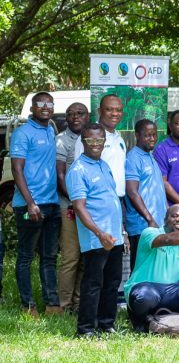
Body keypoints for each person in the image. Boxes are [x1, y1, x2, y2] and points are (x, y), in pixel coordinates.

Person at [67, 123, 126, 337]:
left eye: (99, 140)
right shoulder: (78, 169)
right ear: (83, 142)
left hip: (115, 237)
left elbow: (112, 201)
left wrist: (122, 233)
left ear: (104, 142)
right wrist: (100, 234)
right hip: (96, 239)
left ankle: (106, 324)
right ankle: (85, 329)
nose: (95, 144)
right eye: (90, 140)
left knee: (112, 282)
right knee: (93, 284)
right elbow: (79, 207)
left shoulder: (103, 165)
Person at [10, 91, 62, 316]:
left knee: (49, 257)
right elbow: (16, 169)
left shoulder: (51, 130)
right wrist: (30, 203)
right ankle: (28, 305)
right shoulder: (22, 133)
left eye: (49, 103)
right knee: (25, 257)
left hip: (51, 204)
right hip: (30, 206)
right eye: (40, 103)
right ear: (32, 108)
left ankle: (52, 304)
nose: (45, 106)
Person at [55, 102, 89, 312]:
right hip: (69, 207)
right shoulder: (61, 140)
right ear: (66, 119)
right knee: (71, 258)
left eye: (80, 113)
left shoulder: (92, 137)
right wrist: (76, 202)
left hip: (88, 209)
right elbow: (60, 175)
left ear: (87, 116)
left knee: (86, 258)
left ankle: (78, 303)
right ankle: (64, 305)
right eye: (71, 114)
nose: (75, 117)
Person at [124, 120, 168, 269]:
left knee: (154, 268)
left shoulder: (150, 156)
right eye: (147, 135)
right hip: (142, 226)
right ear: (137, 135)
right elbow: (131, 191)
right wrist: (149, 219)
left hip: (157, 225)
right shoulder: (133, 158)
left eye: (154, 135)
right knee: (140, 269)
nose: (152, 138)